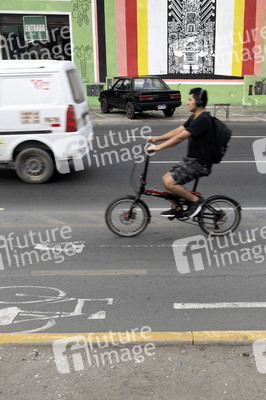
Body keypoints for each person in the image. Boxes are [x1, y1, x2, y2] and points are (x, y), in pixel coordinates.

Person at [147, 88, 213, 218]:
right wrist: (157, 138)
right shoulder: (195, 117)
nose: (187, 102)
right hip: (192, 160)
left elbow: (180, 137)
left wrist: (158, 148)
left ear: (199, 102)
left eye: (190, 100)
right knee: (166, 179)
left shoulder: (203, 119)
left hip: (200, 163)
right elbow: (178, 131)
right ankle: (176, 208)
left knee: (170, 182)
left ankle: (196, 201)